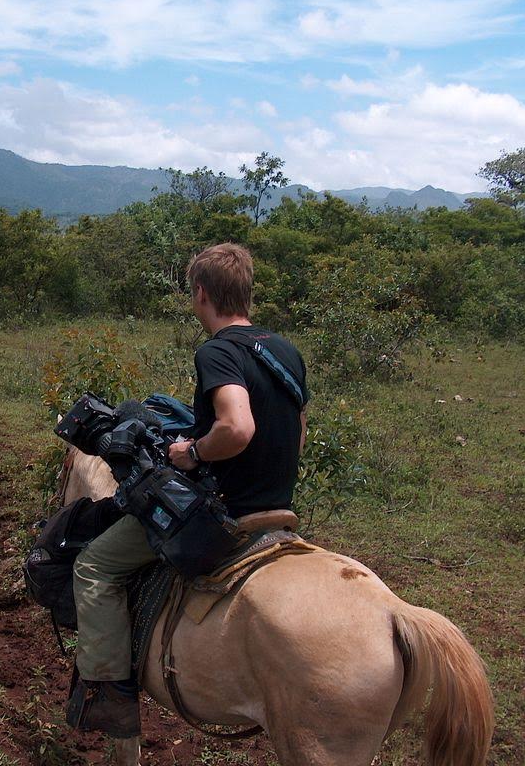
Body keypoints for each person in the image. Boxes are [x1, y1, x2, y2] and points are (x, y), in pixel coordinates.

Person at [67, 243, 309, 737]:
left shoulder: (218, 351)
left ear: (200, 293)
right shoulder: (284, 350)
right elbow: (298, 432)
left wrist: (192, 453)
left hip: (225, 513)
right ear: (246, 291)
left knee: (95, 566)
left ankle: (110, 695)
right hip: (278, 508)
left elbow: (237, 427)